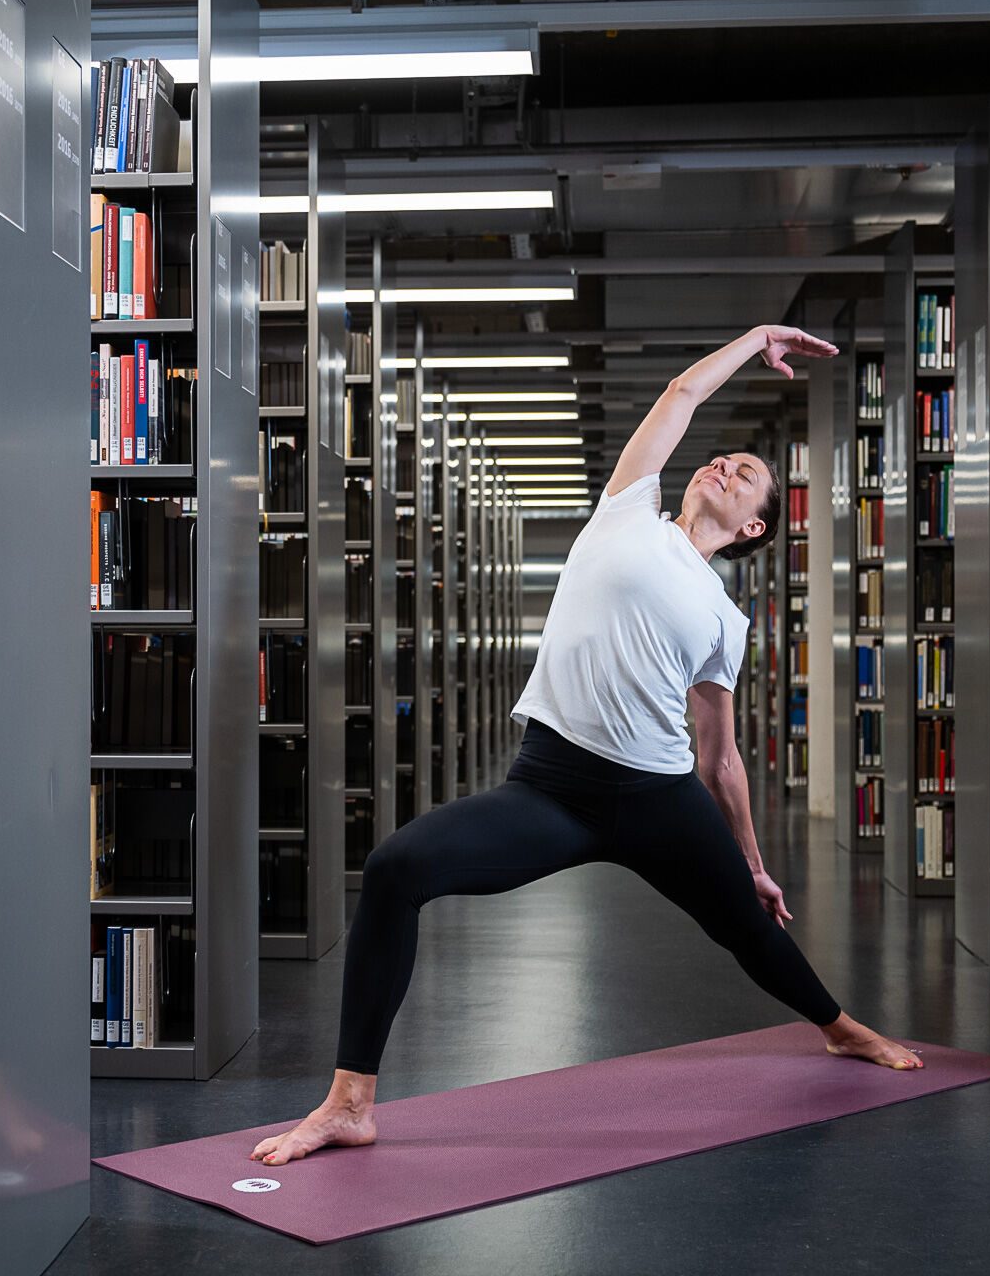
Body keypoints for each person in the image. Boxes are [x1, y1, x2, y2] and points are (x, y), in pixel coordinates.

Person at [250, 324, 923, 1170]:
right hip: (552, 789)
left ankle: (841, 1027)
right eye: (722, 460)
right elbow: (681, 395)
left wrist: (749, 857)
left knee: (750, 933)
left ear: (754, 529)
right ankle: (350, 1104)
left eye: (746, 476)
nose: (724, 467)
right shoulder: (628, 510)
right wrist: (752, 341)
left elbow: (719, 756)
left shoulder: (726, 618)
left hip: (658, 799)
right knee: (394, 870)